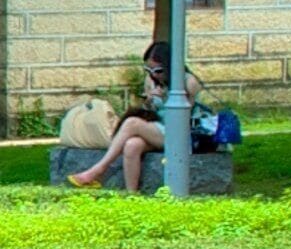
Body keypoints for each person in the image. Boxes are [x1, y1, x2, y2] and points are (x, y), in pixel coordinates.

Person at [69, 41, 207, 191]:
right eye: (148, 70)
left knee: (132, 123)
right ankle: (132, 194)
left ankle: (98, 170)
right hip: (160, 130)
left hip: (183, 135)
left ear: (170, 66)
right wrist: (148, 103)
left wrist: (166, 98)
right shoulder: (153, 81)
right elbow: (153, 111)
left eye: (159, 70)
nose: (154, 75)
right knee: (132, 145)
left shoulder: (188, 82)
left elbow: (183, 116)